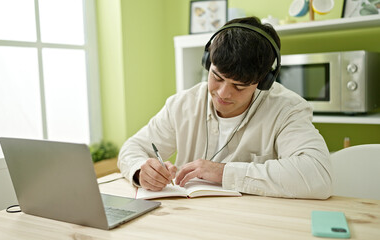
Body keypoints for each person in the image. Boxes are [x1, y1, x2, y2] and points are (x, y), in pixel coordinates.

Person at [117, 17, 332, 199]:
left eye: (239, 86)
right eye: (217, 77)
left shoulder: (287, 110)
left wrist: (224, 173)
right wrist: (141, 170)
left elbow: (318, 175)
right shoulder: (183, 104)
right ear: (207, 63)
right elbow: (131, 148)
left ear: (264, 81)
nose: (223, 93)